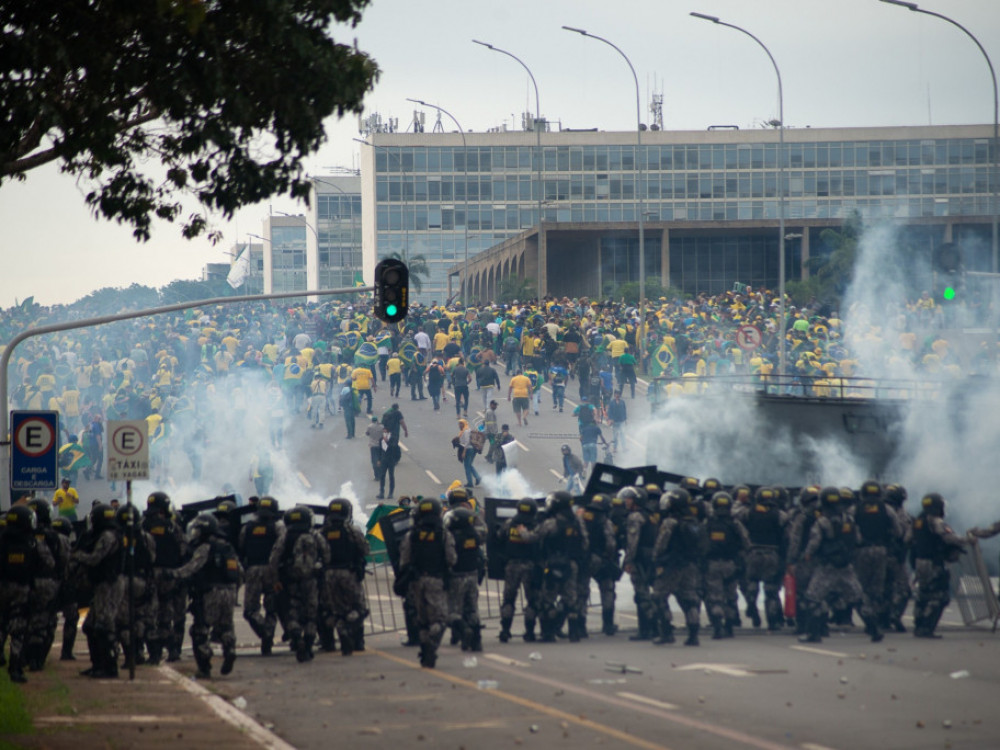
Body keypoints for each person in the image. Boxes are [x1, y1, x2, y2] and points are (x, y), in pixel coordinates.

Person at [169, 514, 242, 678]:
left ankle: (205, 666)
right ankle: (229, 649)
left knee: (200, 630)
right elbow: (239, 572)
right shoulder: (227, 547)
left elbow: (192, 567)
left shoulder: (205, 547)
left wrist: (173, 574)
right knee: (226, 626)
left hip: (210, 592)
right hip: (230, 592)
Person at [515, 491, 589, 642]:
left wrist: (522, 532)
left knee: (548, 599)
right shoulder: (577, 521)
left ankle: (548, 634)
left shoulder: (551, 523)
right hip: (571, 564)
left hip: (552, 564)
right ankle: (574, 633)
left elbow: (533, 537)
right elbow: (585, 543)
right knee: (570, 599)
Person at [398, 497, 456, 668]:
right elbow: (452, 559)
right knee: (440, 618)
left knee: (422, 620)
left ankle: (425, 648)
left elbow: (404, 560)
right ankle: (431, 644)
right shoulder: (444, 535)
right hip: (437, 581)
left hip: (416, 581)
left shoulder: (411, 535)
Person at [1, 506, 55, 682]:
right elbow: (49, 563)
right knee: (18, 631)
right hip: (23, 591)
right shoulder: (33, 543)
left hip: (2, 588)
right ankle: (15, 667)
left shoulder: (1, 540)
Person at [72, 502, 123, 678]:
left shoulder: (108, 536)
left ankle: (109, 667)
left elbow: (95, 559)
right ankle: (97, 665)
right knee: (90, 626)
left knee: (103, 626)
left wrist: (77, 555)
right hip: (101, 584)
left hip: (109, 585)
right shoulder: (101, 534)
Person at [651, 488, 705, 646]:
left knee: (659, 597)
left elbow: (661, 544)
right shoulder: (694, 521)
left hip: (671, 565)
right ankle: (693, 635)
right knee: (689, 599)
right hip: (690, 565)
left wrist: (655, 560)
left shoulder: (670, 522)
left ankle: (666, 633)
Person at [271, 505, 322, 662]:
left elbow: (273, 559)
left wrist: (276, 580)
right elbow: (327, 554)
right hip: (311, 581)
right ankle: (307, 645)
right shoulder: (315, 535)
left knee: (291, 613)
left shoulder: (285, 537)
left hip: (290, 581)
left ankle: (296, 638)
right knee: (311, 615)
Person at [911, 493, 966, 638]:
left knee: (923, 594)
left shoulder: (918, 520)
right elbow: (949, 537)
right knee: (940, 596)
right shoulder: (935, 521)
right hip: (933, 563)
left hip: (920, 562)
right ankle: (927, 628)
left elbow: (908, 539)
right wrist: (966, 540)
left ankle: (918, 625)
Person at [319, 499, 369, 656]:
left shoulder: (321, 532)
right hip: (349, 573)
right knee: (357, 607)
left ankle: (328, 643)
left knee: (329, 608)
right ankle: (356, 640)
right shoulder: (353, 531)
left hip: (328, 575)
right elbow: (365, 549)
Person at [143, 491, 188, 664]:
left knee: (151, 615)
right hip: (171, 575)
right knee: (173, 614)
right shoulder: (172, 526)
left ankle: (154, 653)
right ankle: (174, 650)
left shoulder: (142, 525)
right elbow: (183, 549)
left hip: (150, 575)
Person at [238, 495, 284, 656]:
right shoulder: (278, 527)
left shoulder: (247, 528)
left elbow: (241, 547)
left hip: (253, 571)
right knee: (272, 609)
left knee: (250, 610)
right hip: (272, 571)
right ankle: (268, 635)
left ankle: (264, 634)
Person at [704, 491, 751, 639]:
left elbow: (700, 542)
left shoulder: (708, 523)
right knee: (730, 596)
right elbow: (746, 542)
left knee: (715, 596)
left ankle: (718, 628)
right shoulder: (735, 523)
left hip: (712, 564)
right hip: (731, 564)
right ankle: (729, 628)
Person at [497, 498, 541, 643]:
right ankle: (529, 633)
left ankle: (505, 631)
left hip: (512, 565)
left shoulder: (510, 524)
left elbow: (499, 538)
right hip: (530, 566)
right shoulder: (536, 525)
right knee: (532, 600)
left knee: (508, 599)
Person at [581, 493, 620, 636]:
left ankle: (580, 627)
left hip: (584, 560)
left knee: (582, 592)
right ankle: (608, 625)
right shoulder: (605, 522)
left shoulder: (582, 518)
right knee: (607, 591)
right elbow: (611, 544)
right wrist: (609, 558)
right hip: (601, 560)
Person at [456, 418, 482, 488]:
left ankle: (470, 482)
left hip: (468, 450)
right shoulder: (464, 431)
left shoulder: (466, 431)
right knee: (469, 465)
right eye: (459, 423)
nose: (460, 425)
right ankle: (477, 477)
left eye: (461, 423)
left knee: (467, 466)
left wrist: (464, 452)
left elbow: (467, 442)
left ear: (464, 424)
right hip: (471, 449)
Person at [378, 431, 402, 500]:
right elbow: (380, 450)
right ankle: (381, 492)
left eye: (386, 432)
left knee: (391, 476)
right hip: (383, 460)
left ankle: (391, 493)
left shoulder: (393, 439)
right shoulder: (381, 439)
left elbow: (395, 448)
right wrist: (379, 459)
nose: (384, 433)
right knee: (382, 476)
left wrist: (396, 460)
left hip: (391, 460)